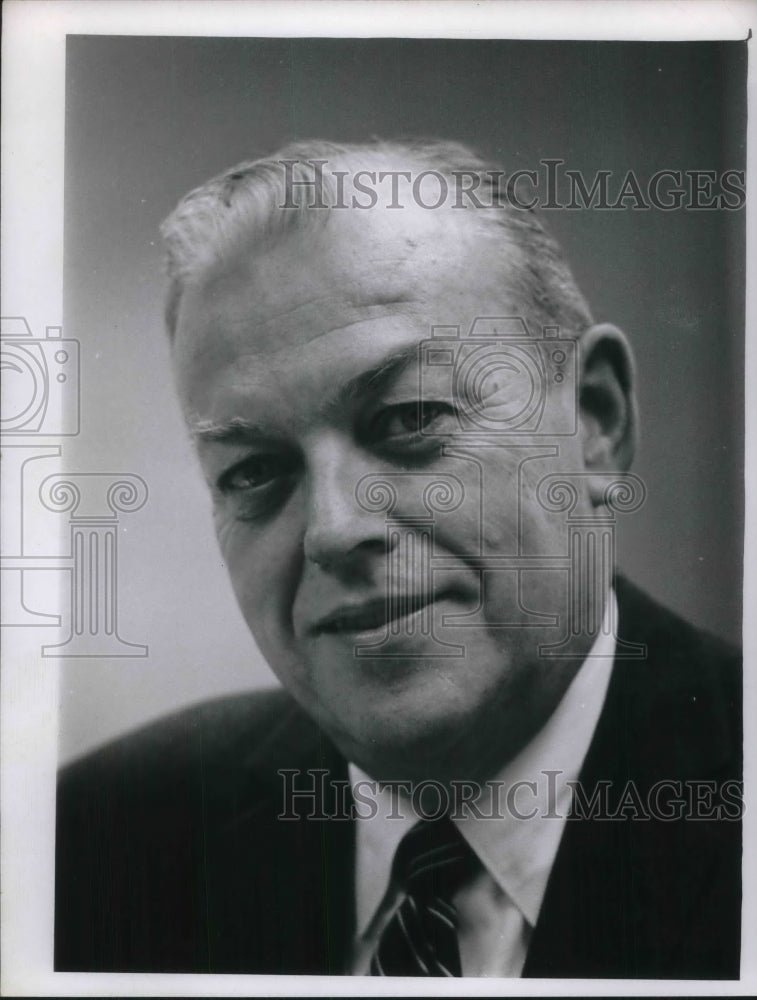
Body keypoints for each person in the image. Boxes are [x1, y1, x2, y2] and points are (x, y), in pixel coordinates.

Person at [55, 140, 742, 979]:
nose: (333, 529)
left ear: (592, 421)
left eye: (408, 418)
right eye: (254, 472)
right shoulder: (95, 843)